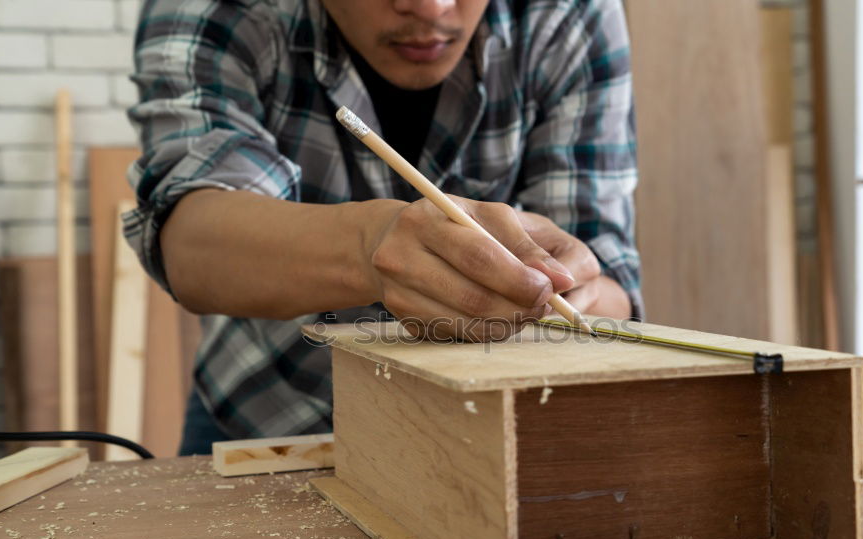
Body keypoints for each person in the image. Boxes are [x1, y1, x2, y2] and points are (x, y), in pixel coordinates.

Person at [126, 0, 643, 455]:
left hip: (491, 432)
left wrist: (560, 286)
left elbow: (611, 273)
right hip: (269, 408)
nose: (431, 8)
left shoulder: (571, 11)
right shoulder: (223, 8)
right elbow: (190, 242)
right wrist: (367, 245)